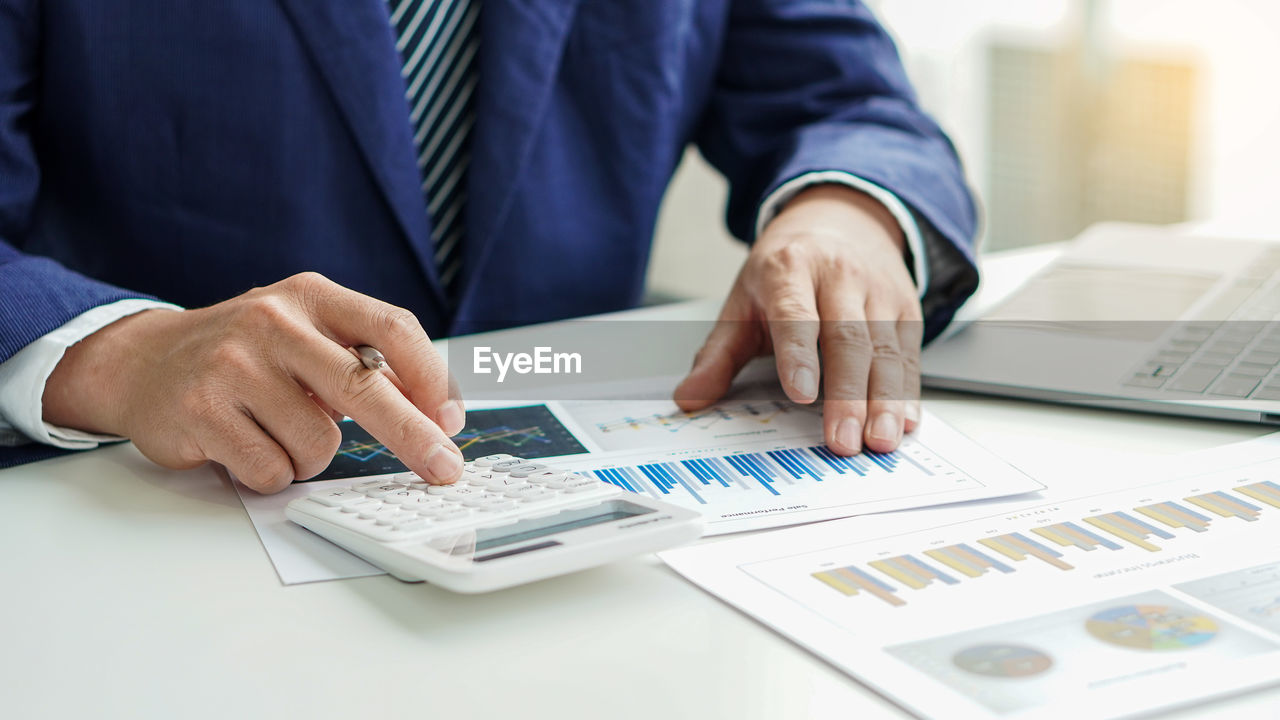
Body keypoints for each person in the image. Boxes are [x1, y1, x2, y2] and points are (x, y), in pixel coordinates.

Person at [0, 0, 979, 491]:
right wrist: (119, 354)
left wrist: (846, 212)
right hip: (146, 520)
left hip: (588, 531)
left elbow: (849, 99)